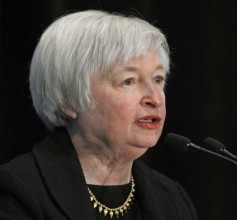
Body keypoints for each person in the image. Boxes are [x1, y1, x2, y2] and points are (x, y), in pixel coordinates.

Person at [0, 10, 197, 219]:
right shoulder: (18, 191)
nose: (155, 98)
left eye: (158, 79)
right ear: (69, 99)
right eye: (128, 81)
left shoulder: (171, 197)